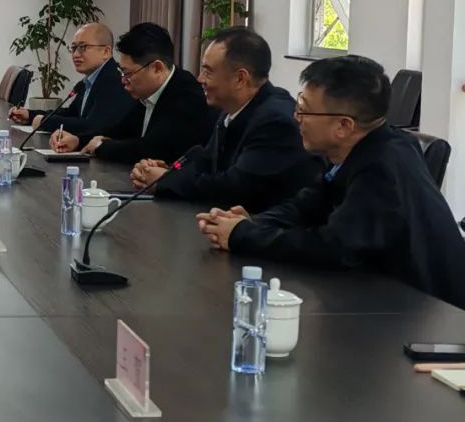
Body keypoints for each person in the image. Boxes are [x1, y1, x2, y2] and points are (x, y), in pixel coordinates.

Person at [197, 55, 465, 308]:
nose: (296, 118)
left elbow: (334, 248)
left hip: (429, 315)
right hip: (379, 298)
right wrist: (252, 223)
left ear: (343, 126)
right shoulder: (356, 149)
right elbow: (307, 205)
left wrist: (243, 236)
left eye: (304, 112)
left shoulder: (383, 166)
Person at [132, 27, 320, 212]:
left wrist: (166, 181)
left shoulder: (275, 121)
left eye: (208, 71)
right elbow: (206, 163)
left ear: (240, 79)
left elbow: (234, 188)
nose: (200, 79)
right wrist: (170, 171)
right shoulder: (230, 109)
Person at [50, 22, 215, 164]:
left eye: (127, 74)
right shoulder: (147, 94)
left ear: (157, 68)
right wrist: (78, 140)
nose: (123, 80)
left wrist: (101, 146)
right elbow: (119, 132)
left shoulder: (185, 94)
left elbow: (151, 149)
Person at [8, 22, 135, 137]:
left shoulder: (115, 80)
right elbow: (72, 113)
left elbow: (93, 126)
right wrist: (31, 115)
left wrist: (45, 122)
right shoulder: (90, 80)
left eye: (83, 47)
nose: (75, 54)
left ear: (106, 52)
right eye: (73, 48)